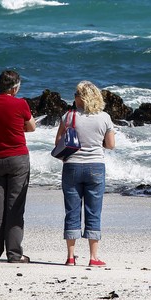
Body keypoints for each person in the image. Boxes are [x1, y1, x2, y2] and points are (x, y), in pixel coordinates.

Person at [56, 80, 116, 267]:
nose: (73, 96)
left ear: (81, 98)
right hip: (95, 167)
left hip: (72, 166)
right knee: (93, 211)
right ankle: (93, 257)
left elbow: (58, 142)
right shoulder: (104, 117)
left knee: (72, 211)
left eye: (76, 93)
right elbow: (111, 145)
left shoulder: (69, 116)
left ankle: (71, 257)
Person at [0, 69, 36, 263]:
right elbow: (31, 127)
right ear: (14, 88)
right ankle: (14, 253)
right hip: (17, 158)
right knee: (15, 207)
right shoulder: (20, 103)